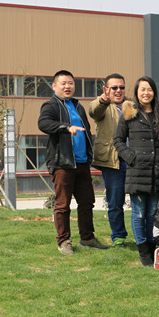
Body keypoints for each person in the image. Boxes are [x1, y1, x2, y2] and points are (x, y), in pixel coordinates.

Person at [38, 70, 107, 255]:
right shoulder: (51, 105)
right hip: (63, 163)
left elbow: (86, 131)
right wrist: (66, 127)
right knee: (62, 204)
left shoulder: (77, 106)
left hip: (82, 162)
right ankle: (64, 241)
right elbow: (43, 123)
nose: (67, 86)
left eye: (70, 83)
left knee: (87, 202)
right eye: (63, 83)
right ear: (54, 86)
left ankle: (87, 238)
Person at [114, 76, 159, 266]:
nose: (146, 93)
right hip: (137, 171)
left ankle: (151, 245)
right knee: (139, 213)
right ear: (137, 92)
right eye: (142, 89)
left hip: (158, 172)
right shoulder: (129, 114)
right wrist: (131, 157)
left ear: (154, 92)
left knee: (153, 213)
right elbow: (118, 140)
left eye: (149, 89)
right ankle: (143, 250)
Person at [88, 73, 128, 247]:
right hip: (113, 161)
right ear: (106, 89)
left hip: (133, 159)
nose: (118, 91)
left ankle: (144, 236)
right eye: (114, 87)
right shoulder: (103, 106)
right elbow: (93, 111)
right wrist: (103, 100)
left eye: (121, 87)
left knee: (140, 201)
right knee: (116, 201)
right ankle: (118, 236)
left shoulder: (131, 106)